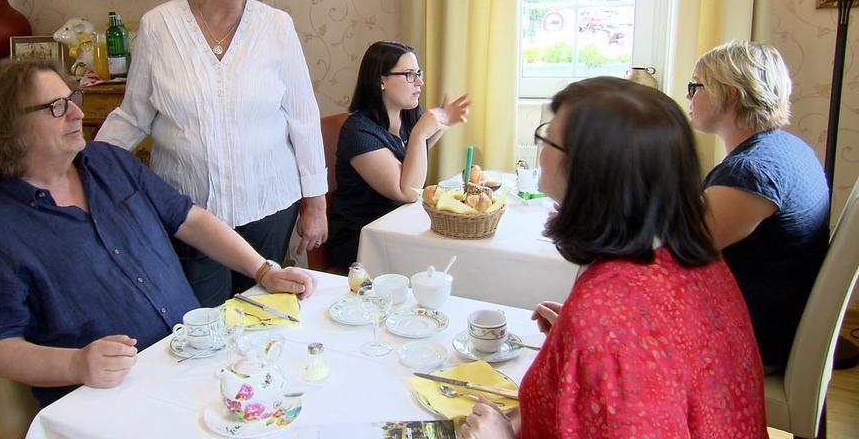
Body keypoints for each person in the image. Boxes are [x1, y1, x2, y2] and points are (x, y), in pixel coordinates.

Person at [0, 59, 316, 408]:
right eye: (56, 107)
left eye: (73, 99)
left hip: (193, 361)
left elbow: (189, 218)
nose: (77, 112)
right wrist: (76, 364)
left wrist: (263, 271)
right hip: (109, 399)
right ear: (8, 126)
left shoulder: (109, 162)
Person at [459, 77, 766, 439]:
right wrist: (577, 346)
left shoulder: (605, 326)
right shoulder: (697, 258)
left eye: (547, 139)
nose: (540, 152)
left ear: (591, 173)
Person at [96, 0, 327, 306]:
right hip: (189, 211)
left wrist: (316, 203)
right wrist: (88, 167)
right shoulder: (159, 27)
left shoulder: (276, 27)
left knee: (265, 313)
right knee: (201, 320)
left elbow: (303, 119)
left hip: (268, 203)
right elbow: (133, 115)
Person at [688, 40, 830, 371]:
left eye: (695, 87)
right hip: (773, 320)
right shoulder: (787, 149)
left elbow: (679, 250)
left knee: (598, 317)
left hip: (752, 336)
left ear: (731, 94)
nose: (689, 97)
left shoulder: (751, 171)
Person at [326, 41, 469, 267]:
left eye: (418, 74)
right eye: (409, 75)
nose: (420, 83)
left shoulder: (408, 116)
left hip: (398, 226)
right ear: (381, 80)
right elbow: (407, 191)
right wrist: (421, 134)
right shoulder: (358, 132)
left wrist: (441, 124)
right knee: (446, 261)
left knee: (459, 248)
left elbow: (409, 158)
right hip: (362, 239)